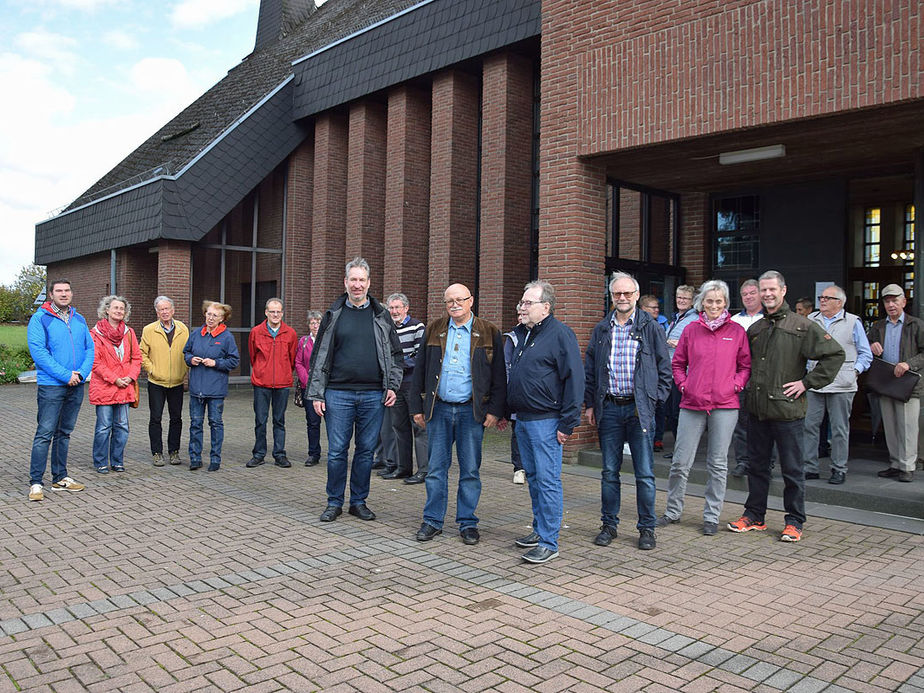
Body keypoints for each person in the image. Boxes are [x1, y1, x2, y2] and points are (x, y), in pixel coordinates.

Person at [727, 270, 844, 542]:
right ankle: (754, 516)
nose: (767, 294)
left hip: (788, 412)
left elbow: (835, 355)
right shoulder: (756, 329)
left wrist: (806, 383)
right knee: (757, 466)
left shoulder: (801, 326)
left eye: (772, 290)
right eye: (763, 290)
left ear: (783, 291)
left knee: (792, 469)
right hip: (757, 411)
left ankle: (794, 521)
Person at [306, 257, 403, 523]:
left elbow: (396, 354)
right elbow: (318, 356)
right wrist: (316, 394)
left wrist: (392, 385)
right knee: (337, 451)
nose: (357, 285)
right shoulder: (333, 315)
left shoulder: (381, 315)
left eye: (362, 280)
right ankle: (334, 502)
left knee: (365, 451)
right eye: (353, 279)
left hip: (374, 395)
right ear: (345, 282)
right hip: (338, 394)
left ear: (369, 283)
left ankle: (358, 502)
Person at [410, 283, 506, 545]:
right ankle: (432, 521)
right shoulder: (435, 329)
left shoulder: (489, 332)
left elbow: (499, 375)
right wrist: (416, 408)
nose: (454, 305)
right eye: (449, 301)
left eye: (460, 300)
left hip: (471, 412)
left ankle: (467, 523)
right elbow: (419, 370)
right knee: (436, 469)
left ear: (471, 301)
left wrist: (495, 411)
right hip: (438, 409)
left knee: (470, 471)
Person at [584, 272, 671, 550]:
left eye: (627, 294)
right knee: (610, 471)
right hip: (609, 407)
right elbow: (590, 370)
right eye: (617, 294)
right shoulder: (602, 329)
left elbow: (664, 370)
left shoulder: (651, 327)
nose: (622, 298)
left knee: (644, 473)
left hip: (638, 410)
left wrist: (653, 400)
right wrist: (589, 404)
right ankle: (609, 525)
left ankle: (647, 528)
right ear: (612, 297)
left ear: (635, 295)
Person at [655, 280, 750, 535]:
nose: (714, 306)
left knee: (718, 465)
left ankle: (711, 516)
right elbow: (677, 363)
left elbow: (745, 366)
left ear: (726, 303)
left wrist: (736, 386)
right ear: (702, 303)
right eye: (710, 301)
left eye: (719, 301)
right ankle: (673, 511)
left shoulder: (737, 331)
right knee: (680, 463)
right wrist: (684, 385)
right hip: (692, 403)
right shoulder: (691, 330)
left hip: (725, 404)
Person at [506, 281, 583, 564]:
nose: (521, 308)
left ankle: (550, 542)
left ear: (545, 307)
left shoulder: (560, 335)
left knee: (548, 481)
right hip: (524, 421)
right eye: (521, 303)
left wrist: (567, 423)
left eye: (528, 303)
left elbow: (575, 379)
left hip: (547, 422)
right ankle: (539, 531)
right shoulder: (524, 334)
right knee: (535, 479)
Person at [27, 279, 92, 501]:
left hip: (77, 384)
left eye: (67, 291)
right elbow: (39, 353)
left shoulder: (79, 319)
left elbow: (89, 348)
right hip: (52, 386)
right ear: (51, 294)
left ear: (71, 293)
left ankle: (60, 478)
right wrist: (66, 375)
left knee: (64, 433)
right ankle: (36, 482)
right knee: (45, 433)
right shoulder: (40, 319)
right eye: (59, 291)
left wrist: (81, 374)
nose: (63, 294)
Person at [802, 285, 872, 484]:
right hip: (815, 382)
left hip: (842, 383)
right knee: (810, 426)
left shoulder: (852, 322)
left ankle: (838, 469)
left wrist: (855, 371)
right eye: (821, 297)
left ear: (839, 303)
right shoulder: (811, 320)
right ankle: (810, 467)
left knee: (840, 428)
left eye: (827, 298)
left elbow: (865, 353)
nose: (822, 300)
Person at [867, 283, 924, 483]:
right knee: (890, 425)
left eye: (895, 300)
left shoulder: (916, 324)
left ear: (903, 302)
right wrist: (871, 344)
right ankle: (895, 463)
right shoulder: (878, 326)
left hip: (908, 383)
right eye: (887, 301)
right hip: (886, 382)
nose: (891, 304)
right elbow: (866, 348)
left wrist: (909, 364)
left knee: (908, 426)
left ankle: (908, 466)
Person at [184, 301, 240, 472]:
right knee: (195, 424)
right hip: (196, 388)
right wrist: (190, 359)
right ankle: (195, 458)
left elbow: (234, 360)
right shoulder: (195, 334)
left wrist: (216, 363)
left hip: (216, 389)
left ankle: (215, 459)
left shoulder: (227, 337)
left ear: (222, 318)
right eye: (208, 314)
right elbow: (186, 352)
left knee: (215, 424)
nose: (211, 318)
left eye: (215, 315)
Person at [88, 295, 142, 473]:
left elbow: (136, 358)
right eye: (115, 308)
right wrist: (115, 379)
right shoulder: (95, 333)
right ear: (107, 310)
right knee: (104, 427)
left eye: (122, 309)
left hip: (125, 388)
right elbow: (95, 363)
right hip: (105, 387)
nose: (119, 311)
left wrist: (131, 377)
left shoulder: (129, 333)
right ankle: (101, 461)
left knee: (122, 427)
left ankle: (117, 460)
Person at [381, 292, 428, 482]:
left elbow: (419, 358)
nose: (394, 311)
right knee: (398, 428)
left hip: (413, 386)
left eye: (397, 307)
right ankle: (403, 468)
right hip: (395, 387)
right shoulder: (386, 328)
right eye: (391, 308)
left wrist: (397, 365)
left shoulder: (417, 327)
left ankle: (424, 470)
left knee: (420, 427)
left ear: (406, 308)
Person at [246, 298, 298, 469]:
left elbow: (292, 359)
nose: (275, 315)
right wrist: (262, 371)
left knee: (279, 420)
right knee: (260, 420)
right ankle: (259, 454)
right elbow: (253, 356)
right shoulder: (256, 332)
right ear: (266, 313)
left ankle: (279, 454)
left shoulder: (290, 333)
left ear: (282, 313)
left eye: (278, 311)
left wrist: (283, 372)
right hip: (261, 383)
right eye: (272, 311)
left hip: (282, 384)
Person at [140, 296, 189, 466]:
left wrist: (184, 371)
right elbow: (141, 354)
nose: (165, 312)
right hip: (156, 382)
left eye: (167, 308)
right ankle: (157, 453)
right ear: (157, 312)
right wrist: (152, 369)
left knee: (176, 418)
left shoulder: (183, 328)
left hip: (176, 381)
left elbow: (187, 352)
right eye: (161, 309)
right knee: (156, 418)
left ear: (173, 310)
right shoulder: (149, 330)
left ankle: (174, 452)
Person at [730, 279, 763, 477]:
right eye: (745, 294)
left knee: (763, 424)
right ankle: (742, 461)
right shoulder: (734, 321)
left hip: (763, 380)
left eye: (752, 293)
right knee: (741, 424)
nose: (749, 297)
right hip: (740, 380)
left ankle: (764, 462)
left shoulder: (769, 318)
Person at [663, 285, 698, 455]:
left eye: (685, 298)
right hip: (670, 372)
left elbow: (697, 344)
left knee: (679, 413)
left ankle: (683, 451)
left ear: (692, 302)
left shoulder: (694, 319)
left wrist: (679, 344)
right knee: (671, 413)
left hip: (684, 373)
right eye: (679, 297)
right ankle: (679, 449)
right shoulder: (676, 318)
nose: (681, 301)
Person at [503, 305, 530, 485]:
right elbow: (506, 366)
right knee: (518, 432)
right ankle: (519, 468)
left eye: (524, 314)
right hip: (516, 394)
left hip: (536, 397)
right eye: (518, 314)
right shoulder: (512, 339)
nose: (521, 317)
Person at [640, 294, 669, 452]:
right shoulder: (638, 325)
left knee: (660, 409)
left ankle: (657, 439)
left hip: (658, 376)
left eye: (658, 307)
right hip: (646, 377)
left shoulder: (663, 323)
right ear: (643, 309)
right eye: (653, 307)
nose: (657, 310)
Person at [294, 310, 323, 466]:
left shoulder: (328, 340)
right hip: (308, 388)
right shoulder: (303, 341)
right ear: (308, 325)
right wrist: (307, 380)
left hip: (326, 389)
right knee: (312, 423)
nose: (315, 325)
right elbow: (298, 362)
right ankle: (313, 454)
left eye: (318, 322)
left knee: (333, 423)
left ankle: (336, 454)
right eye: (312, 322)